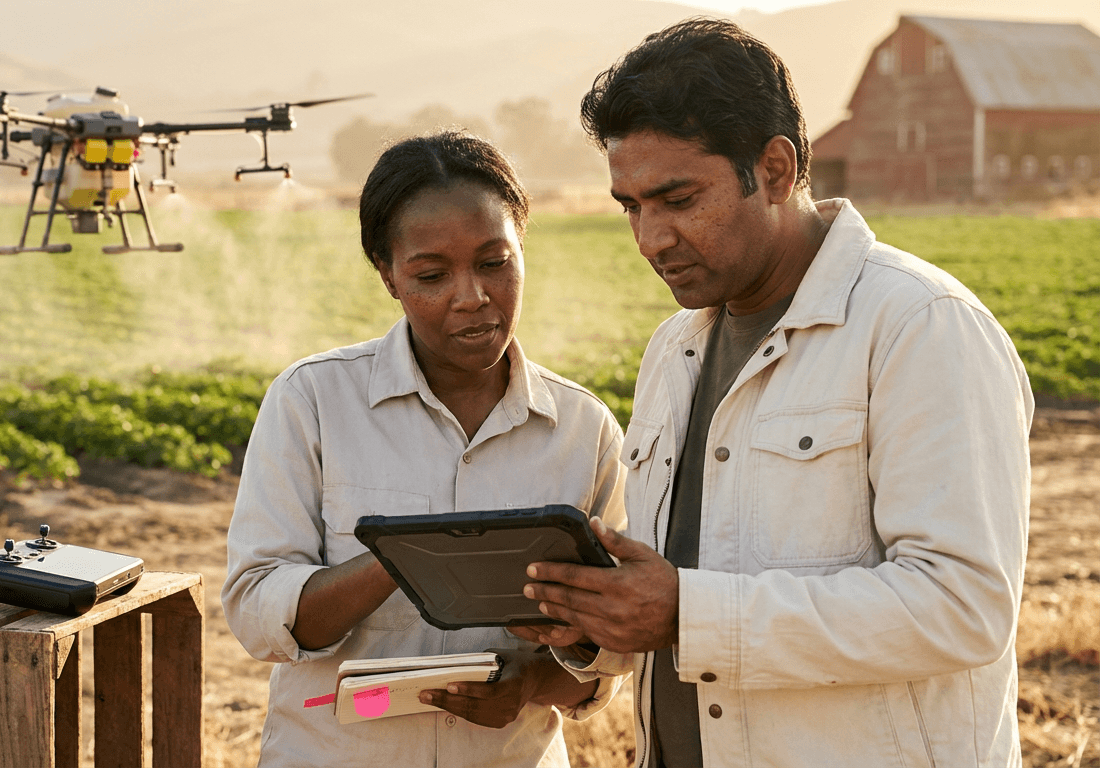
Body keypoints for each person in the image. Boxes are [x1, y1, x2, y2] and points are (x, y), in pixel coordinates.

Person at [512, 18, 1034, 768]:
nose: (651, 238)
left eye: (678, 199)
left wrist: (690, 613)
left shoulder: (920, 327)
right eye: (631, 206)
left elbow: (962, 609)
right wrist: (595, 624)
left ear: (778, 170)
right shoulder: (675, 349)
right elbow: (673, 584)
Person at [222, 129, 629, 767]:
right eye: (432, 275)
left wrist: (530, 685)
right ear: (387, 274)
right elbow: (256, 610)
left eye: (495, 262)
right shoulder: (314, 402)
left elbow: (615, 649)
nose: (472, 297)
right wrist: (406, 554)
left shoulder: (583, 429)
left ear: (522, 247)